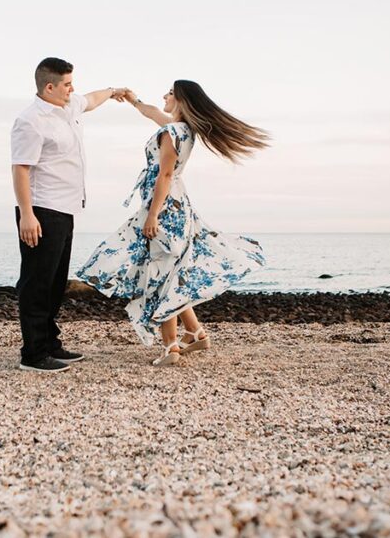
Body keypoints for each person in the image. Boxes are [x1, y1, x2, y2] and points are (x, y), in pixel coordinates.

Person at [76, 80, 269, 366]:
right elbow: (152, 112)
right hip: (180, 204)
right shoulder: (184, 129)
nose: (164, 95)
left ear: (180, 100)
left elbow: (164, 176)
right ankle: (194, 332)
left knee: (161, 272)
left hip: (165, 207)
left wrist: (153, 215)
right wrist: (132, 99)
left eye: (169, 92)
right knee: (172, 268)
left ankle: (171, 347)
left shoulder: (170, 132)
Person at [10, 57, 124, 372]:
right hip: (41, 210)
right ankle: (33, 354)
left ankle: (50, 343)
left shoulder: (69, 105)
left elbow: (91, 100)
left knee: (56, 283)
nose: (73, 89)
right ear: (50, 87)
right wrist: (26, 215)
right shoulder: (30, 121)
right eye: (67, 84)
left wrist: (115, 91)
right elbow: (20, 170)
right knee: (37, 283)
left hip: (67, 208)